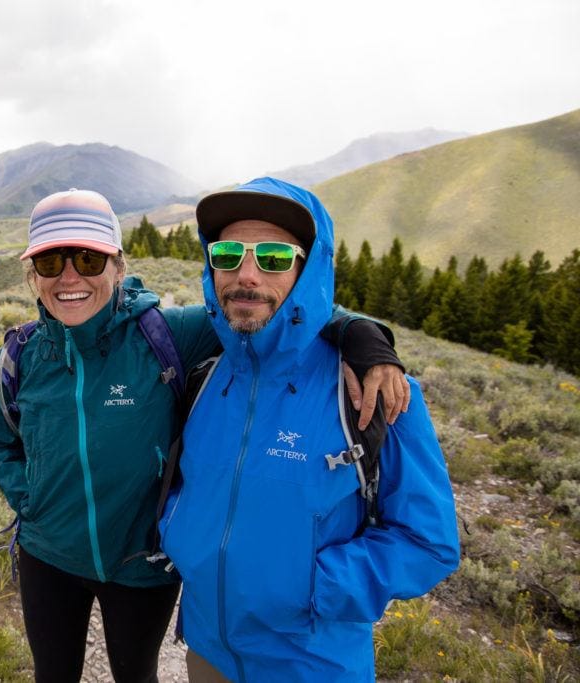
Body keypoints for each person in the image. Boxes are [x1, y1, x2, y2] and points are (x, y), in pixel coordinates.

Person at [0, 188, 409, 683]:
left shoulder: (167, 334)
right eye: (51, 262)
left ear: (117, 266)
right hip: (47, 556)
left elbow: (268, 306)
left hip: (141, 564)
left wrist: (361, 335)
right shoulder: (21, 355)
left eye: (89, 259)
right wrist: (32, 500)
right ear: (34, 275)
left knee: (136, 675)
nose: (70, 277)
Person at [159, 177, 460, 682]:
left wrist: (311, 586)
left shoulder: (373, 391)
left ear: (309, 268)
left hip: (310, 664)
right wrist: (180, 534)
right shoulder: (205, 373)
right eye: (228, 253)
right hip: (207, 653)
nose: (246, 274)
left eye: (274, 257)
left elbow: (430, 543)